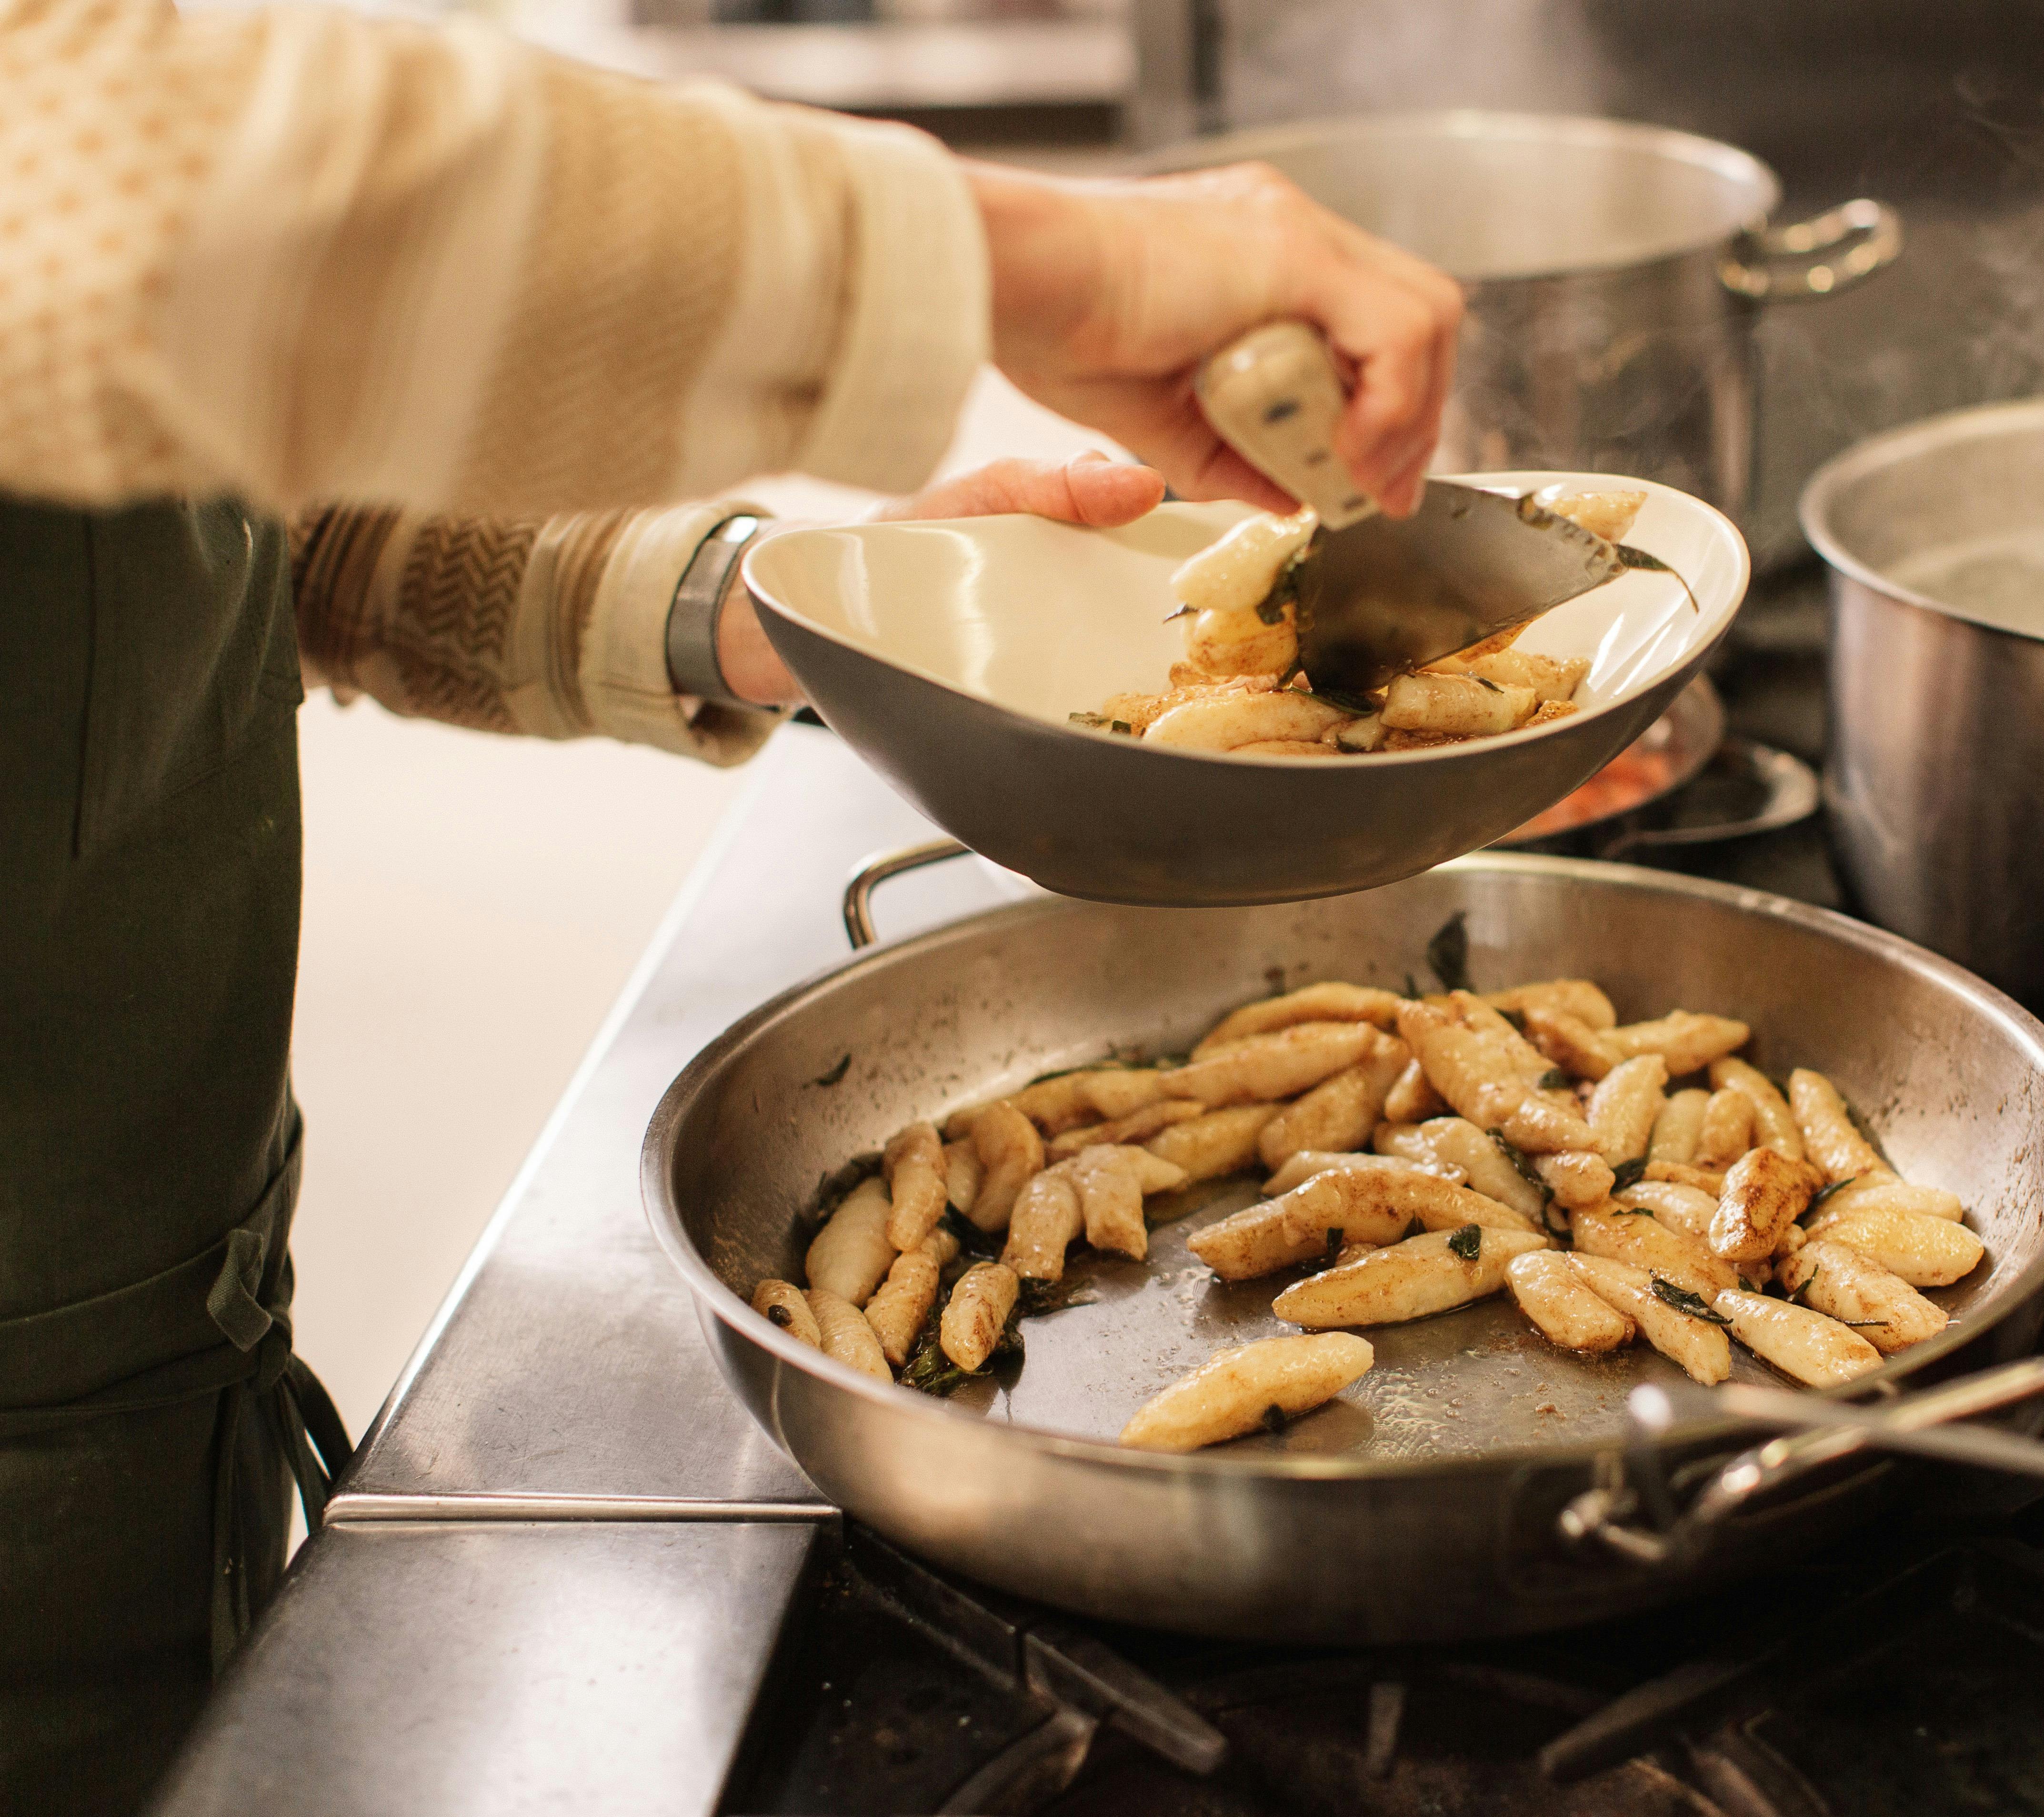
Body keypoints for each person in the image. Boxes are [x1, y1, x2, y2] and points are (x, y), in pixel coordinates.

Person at [0, 1, 1464, 1807]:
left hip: (140, 1399)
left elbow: (218, 488)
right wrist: (1036, 257)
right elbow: (83, 180)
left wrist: (790, 614)